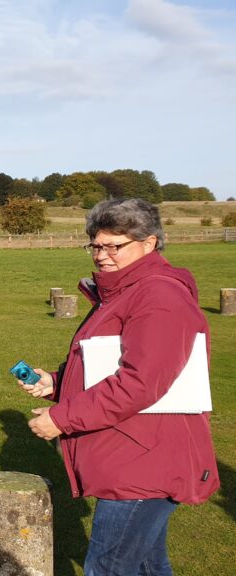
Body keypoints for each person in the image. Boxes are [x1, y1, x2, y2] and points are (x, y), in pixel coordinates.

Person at [18, 198, 218, 575]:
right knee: (146, 565)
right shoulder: (125, 291)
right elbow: (116, 364)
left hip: (144, 460)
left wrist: (62, 418)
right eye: (96, 244)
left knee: (108, 568)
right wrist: (58, 383)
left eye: (115, 245)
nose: (102, 255)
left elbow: (142, 381)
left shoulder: (158, 296)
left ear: (149, 244)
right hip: (136, 453)